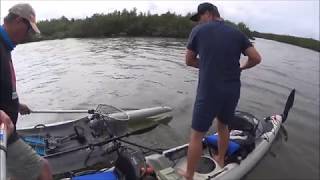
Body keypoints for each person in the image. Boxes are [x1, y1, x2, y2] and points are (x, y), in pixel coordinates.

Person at [181, 2, 261, 179]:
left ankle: (188, 175)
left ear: (208, 13)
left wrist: (208, 65)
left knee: (196, 136)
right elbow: (256, 58)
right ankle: (221, 159)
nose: (199, 23)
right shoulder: (237, 33)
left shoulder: (199, 31)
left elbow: (189, 60)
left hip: (209, 91)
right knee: (223, 125)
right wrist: (241, 67)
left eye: (199, 18)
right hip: (232, 90)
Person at [0, 3, 53, 180]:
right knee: (43, 168)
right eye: (28, 29)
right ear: (17, 21)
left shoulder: (5, 47)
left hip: (8, 131)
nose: (27, 35)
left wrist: (16, 104)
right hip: (2, 132)